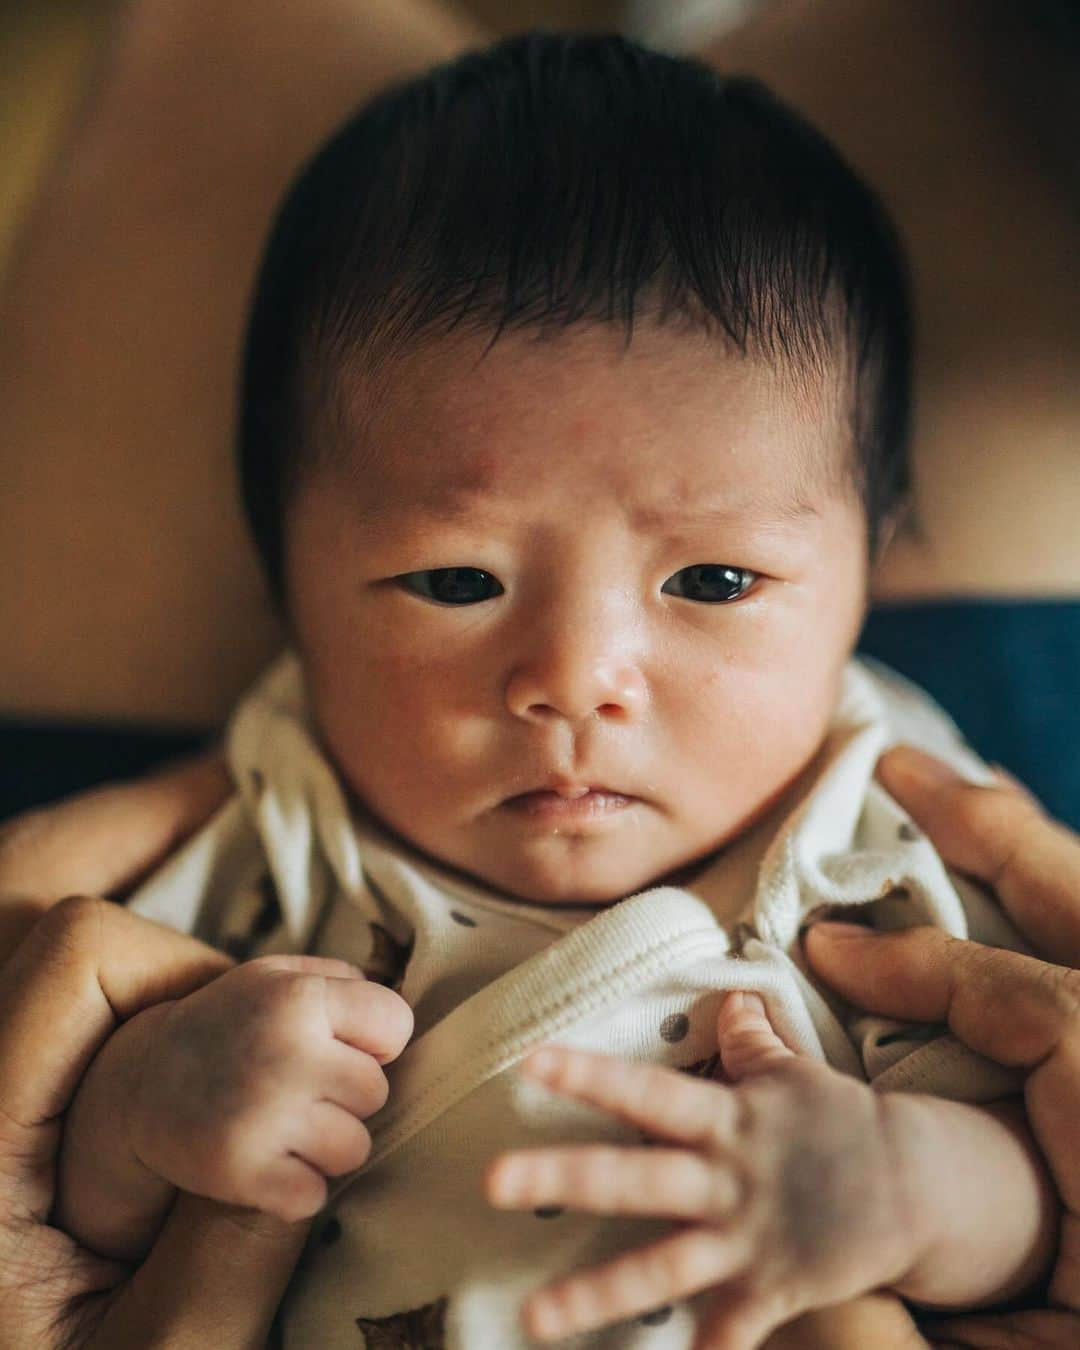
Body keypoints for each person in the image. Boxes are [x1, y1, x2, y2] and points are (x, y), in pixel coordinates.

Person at [37, 33, 1060, 1349]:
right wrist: (149, 1104)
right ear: (281, 587)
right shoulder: (275, 843)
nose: (574, 679)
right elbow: (49, 1159)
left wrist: (915, 1187)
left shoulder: (898, 849)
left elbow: (1050, 1192)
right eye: (455, 581)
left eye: (716, 579)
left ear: (876, 568)